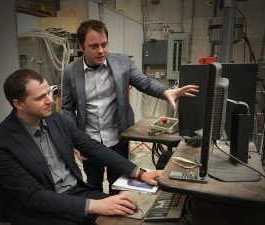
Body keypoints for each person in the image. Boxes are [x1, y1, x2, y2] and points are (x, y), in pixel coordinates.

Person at [0, 69, 161, 225]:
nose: (50, 101)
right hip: (41, 212)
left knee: (131, 214)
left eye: (49, 92)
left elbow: (94, 148)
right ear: (18, 104)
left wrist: (140, 173)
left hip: (76, 193)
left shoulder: (55, 119)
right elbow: (34, 197)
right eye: (40, 97)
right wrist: (96, 206)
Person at [61, 19, 199, 195]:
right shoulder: (70, 71)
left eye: (104, 44)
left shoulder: (122, 62)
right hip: (89, 140)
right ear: (81, 46)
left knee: (117, 183)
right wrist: (75, 140)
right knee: (93, 183)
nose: (101, 50)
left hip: (118, 137)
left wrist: (166, 92)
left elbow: (144, 82)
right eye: (94, 46)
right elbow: (67, 108)